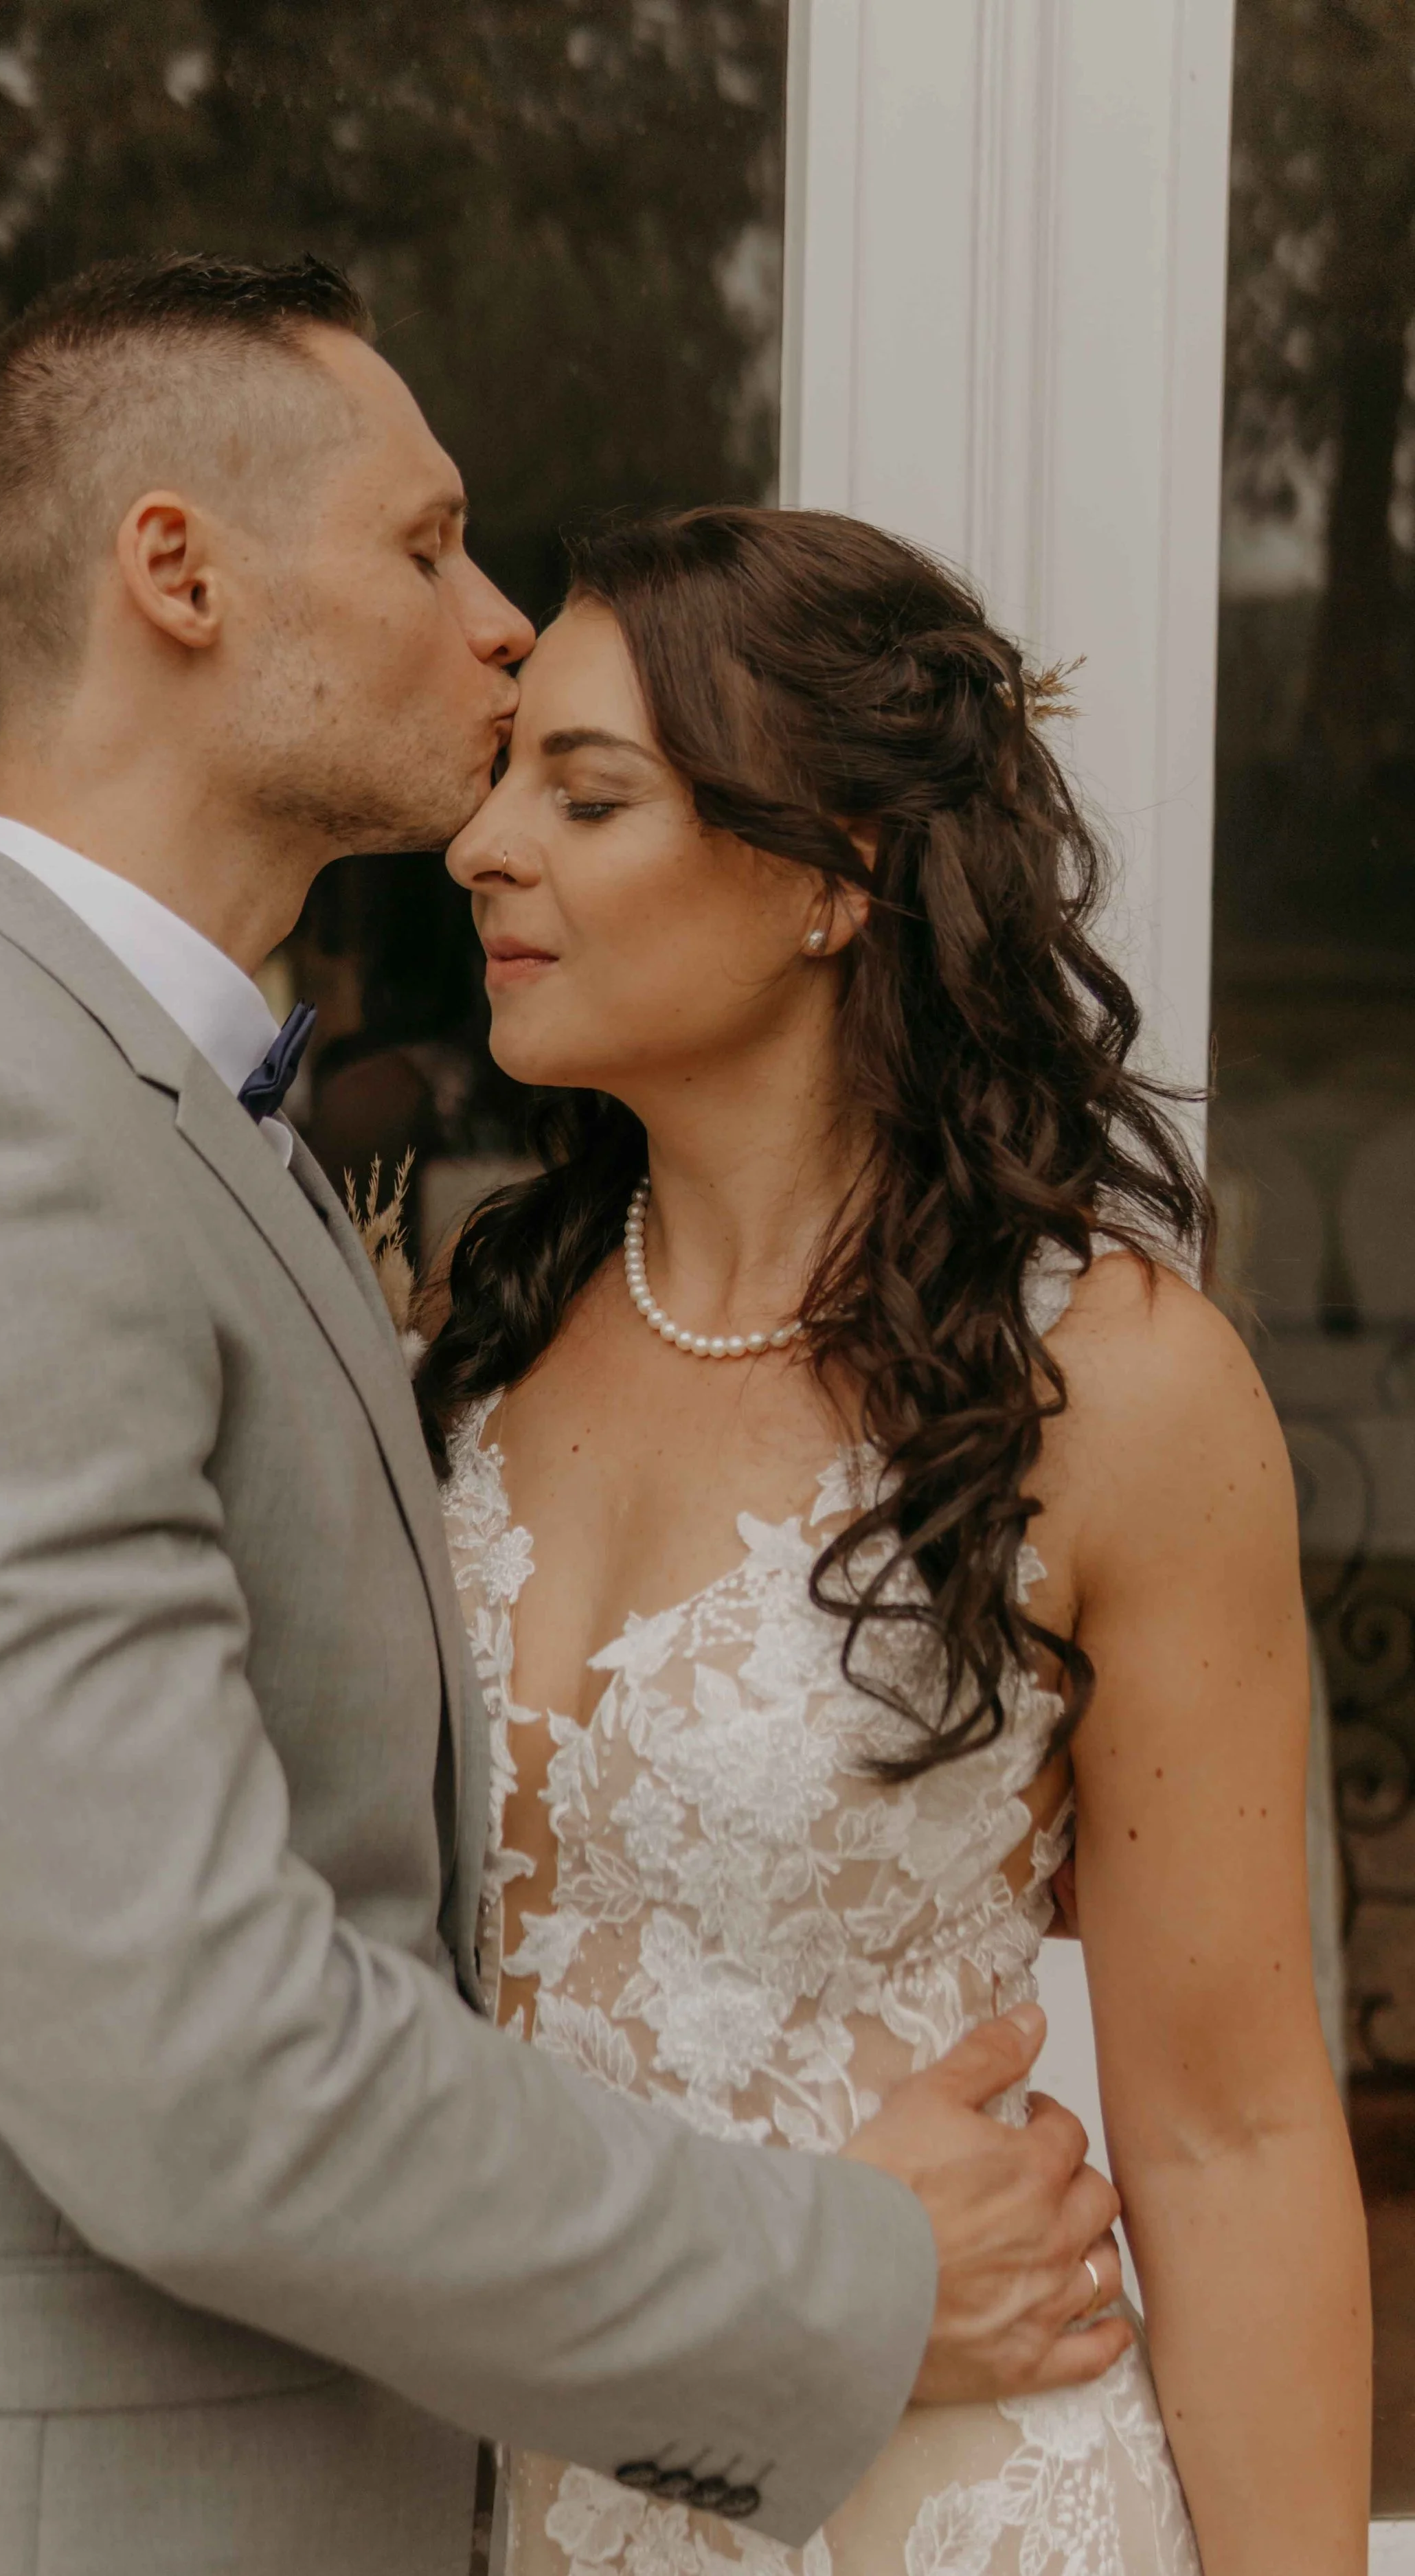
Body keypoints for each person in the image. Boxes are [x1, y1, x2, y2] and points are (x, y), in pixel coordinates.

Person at [0, 260, 1124, 2576]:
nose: (492, 623)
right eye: (425, 540)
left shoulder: (176, 1113)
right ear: (175, 571)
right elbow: (194, 2070)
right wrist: (858, 2273)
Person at [428, 507, 1373, 2575]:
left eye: (581, 793)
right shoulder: (468, 1339)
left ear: (832, 874)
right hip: (521, 2492)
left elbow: (1223, 2127)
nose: (480, 843)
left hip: (945, 2511)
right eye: (502, 780)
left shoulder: (1112, 1386)